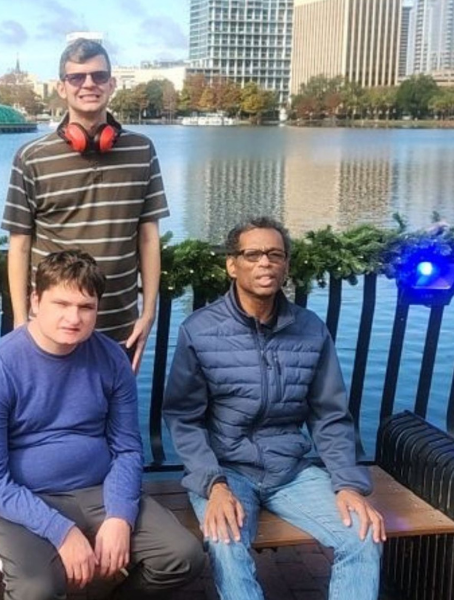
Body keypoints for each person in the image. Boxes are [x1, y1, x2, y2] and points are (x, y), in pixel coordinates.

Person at [163, 217, 385, 600]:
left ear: (285, 266)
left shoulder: (311, 329)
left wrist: (347, 484)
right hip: (227, 470)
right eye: (253, 254)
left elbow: (329, 415)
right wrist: (212, 484)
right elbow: (184, 417)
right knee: (226, 541)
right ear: (232, 265)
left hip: (292, 471)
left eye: (275, 254)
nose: (264, 263)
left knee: (362, 534)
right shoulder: (199, 330)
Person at [0, 250, 202, 600]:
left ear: (97, 309)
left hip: (99, 488)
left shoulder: (111, 359)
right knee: (37, 590)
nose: (73, 318)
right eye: (61, 303)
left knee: (183, 557)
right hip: (26, 495)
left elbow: (126, 447)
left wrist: (120, 515)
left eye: (85, 307)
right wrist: (62, 532)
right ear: (35, 300)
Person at [1, 38, 168, 372]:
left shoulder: (142, 151)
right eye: (77, 78)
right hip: (51, 329)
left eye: (98, 75)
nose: (89, 84)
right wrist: (21, 322)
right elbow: (19, 246)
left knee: (113, 421)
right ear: (62, 88)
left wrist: (148, 313)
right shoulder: (31, 157)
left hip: (121, 327)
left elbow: (148, 238)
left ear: (112, 84)